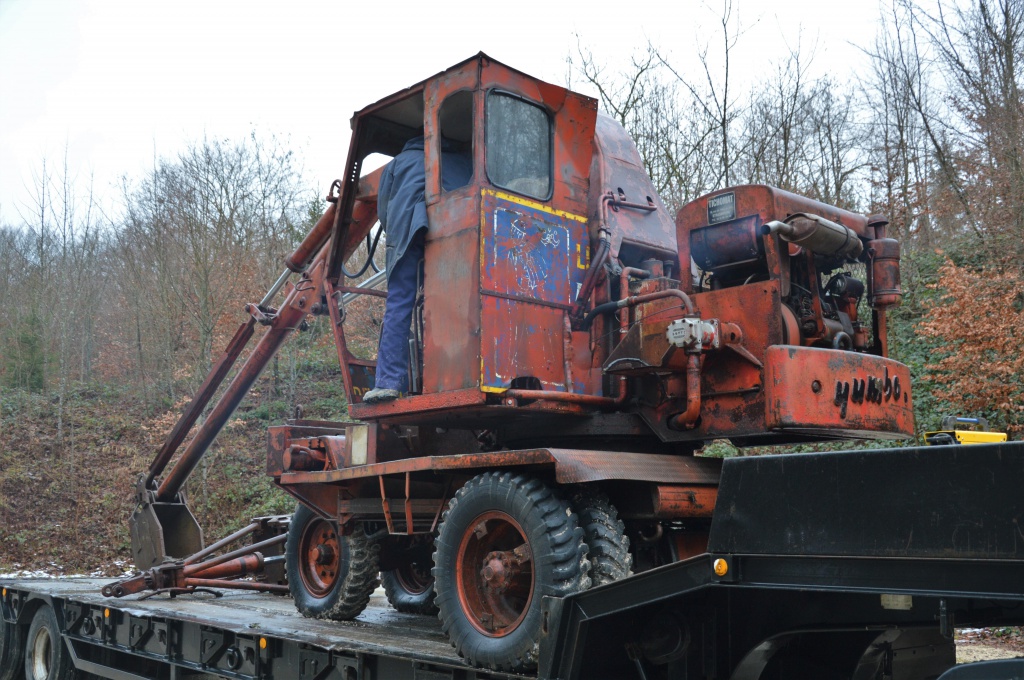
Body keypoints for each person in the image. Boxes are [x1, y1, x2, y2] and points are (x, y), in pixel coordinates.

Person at [363, 135, 472, 404]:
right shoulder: (462, 160)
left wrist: (398, 239)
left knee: (401, 299)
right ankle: (453, 374)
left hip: (408, 230)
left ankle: (388, 382)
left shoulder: (398, 164)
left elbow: (385, 210)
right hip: (453, 234)